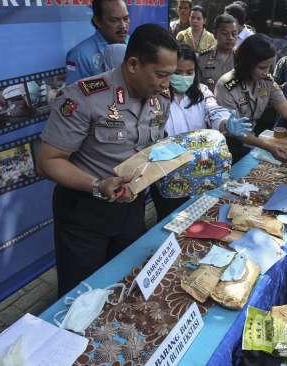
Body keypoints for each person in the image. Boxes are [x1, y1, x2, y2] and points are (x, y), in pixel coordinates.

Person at [37, 24, 178, 295]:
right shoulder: (85, 97)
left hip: (131, 208)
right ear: (134, 64)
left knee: (124, 284)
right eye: (161, 75)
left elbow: (153, 144)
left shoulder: (160, 98)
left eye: (169, 75)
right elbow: (48, 161)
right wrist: (98, 184)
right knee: (81, 294)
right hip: (85, 213)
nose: (166, 84)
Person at [153, 43, 250, 220]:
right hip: (169, 173)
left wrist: (226, 123)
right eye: (177, 72)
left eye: (189, 72)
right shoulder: (155, 96)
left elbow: (214, 112)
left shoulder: (201, 92)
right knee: (170, 219)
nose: (183, 77)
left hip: (201, 171)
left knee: (201, 213)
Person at [65, 0, 129, 84]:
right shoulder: (79, 56)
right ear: (98, 21)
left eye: (126, 19)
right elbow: (74, 94)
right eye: (114, 20)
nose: (123, 26)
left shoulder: (134, 43)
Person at [197, 13, 237, 89]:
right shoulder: (202, 59)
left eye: (234, 34)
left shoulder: (241, 59)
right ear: (215, 34)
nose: (230, 37)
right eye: (225, 33)